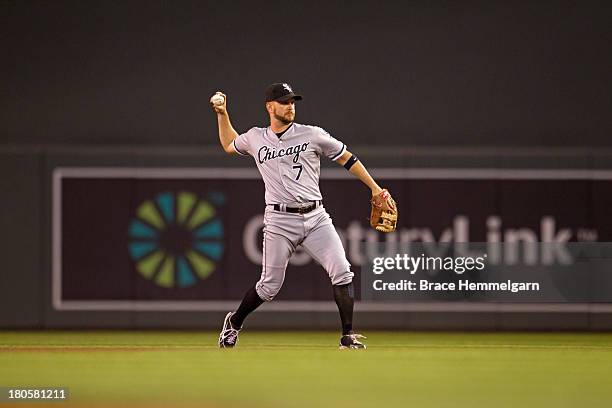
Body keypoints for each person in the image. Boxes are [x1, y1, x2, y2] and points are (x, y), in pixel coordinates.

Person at [212, 82, 388, 349]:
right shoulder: (256, 137)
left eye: (293, 102)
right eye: (284, 102)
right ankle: (234, 323)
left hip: (316, 217)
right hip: (279, 221)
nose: (290, 106)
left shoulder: (312, 134)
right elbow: (228, 144)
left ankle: (347, 336)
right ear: (270, 107)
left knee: (342, 271)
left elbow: (348, 158)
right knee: (269, 286)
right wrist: (222, 114)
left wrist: (375, 189)